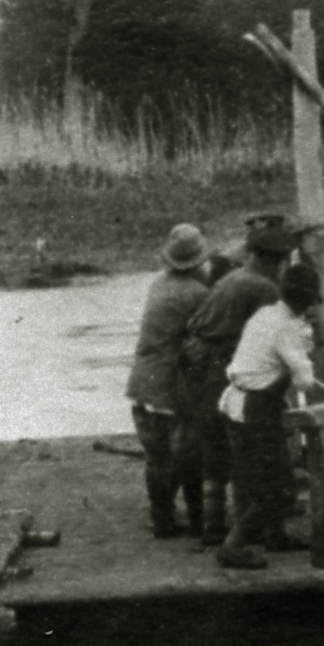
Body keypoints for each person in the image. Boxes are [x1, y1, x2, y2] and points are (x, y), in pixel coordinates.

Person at [177, 215, 300, 547]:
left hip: (201, 368)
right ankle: (264, 531)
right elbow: (272, 340)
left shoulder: (232, 279)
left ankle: (214, 527)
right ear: (278, 259)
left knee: (215, 449)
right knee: (256, 450)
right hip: (225, 368)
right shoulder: (264, 288)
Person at [215, 260, 324, 570]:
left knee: (261, 477)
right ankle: (231, 547)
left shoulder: (266, 314)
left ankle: (275, 536)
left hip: (238, 403)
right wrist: (309, 348)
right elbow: (305, 381)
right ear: (305, 301)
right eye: (310, 303)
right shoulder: (288, 327)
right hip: (255, 408)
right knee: (278, 487)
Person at [124, 223, 212, 539]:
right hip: (171, 386)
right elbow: (206, 339)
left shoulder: (158, 284)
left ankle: (162, 519)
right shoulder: (198, 294)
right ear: (199, 261)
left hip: (143, 381)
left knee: (157, 456)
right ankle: (199, 519)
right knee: (189, 454)